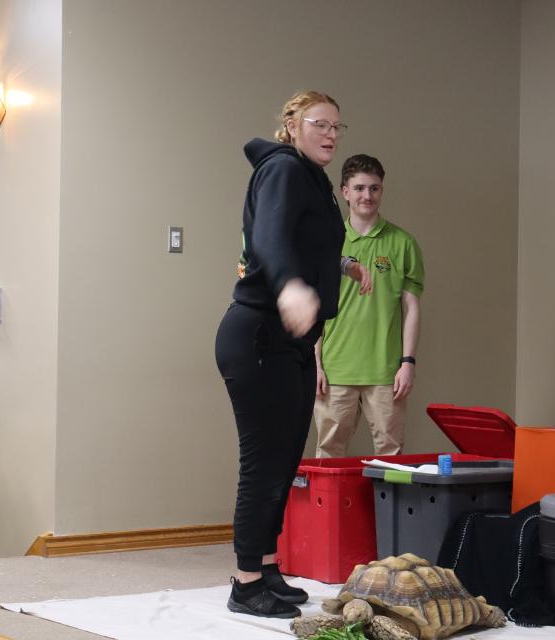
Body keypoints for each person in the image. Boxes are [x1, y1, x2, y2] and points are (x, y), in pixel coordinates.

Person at [214, 90, 371, 618]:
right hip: (259, 332)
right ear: (292, 125)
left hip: (293, 341)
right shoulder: (283, 169)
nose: (329, 133)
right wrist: (288, 288)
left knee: (285, 458)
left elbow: (311, 240)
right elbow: (269, 237)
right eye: (319, 123)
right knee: (262, 461)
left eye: (336, 126)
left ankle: (265, 564)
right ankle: (245, 581)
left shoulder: (313, 179)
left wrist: (343, 265)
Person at [313, 154, 425, 457]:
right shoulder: (328, 242)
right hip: (335, 370)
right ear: (345, 192)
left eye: (374, 188)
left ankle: (385, 508)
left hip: (386, 372)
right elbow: (316, 308)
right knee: (328, 455)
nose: (367, 196)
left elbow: (411, 309)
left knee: (391, 458)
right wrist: (316, 363)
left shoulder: (403, 243)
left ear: (382, 190)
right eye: (360, 188)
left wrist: (407, 363)